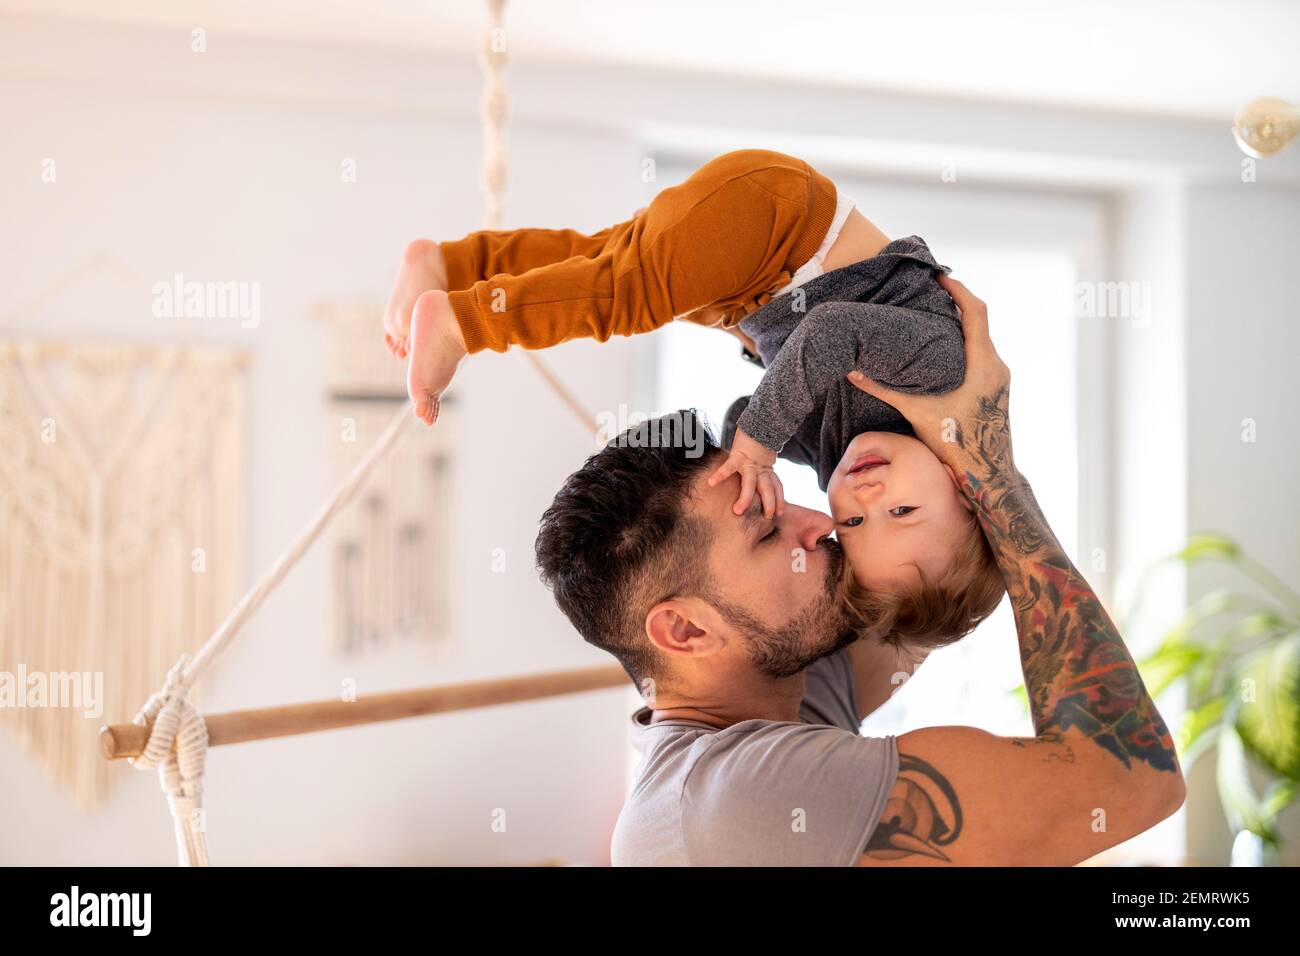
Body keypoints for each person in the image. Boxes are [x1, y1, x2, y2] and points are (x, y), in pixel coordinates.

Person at [531, 276, 1185, 866]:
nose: (819, 524)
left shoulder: (776, 683)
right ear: (686, 631)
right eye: (768, 534)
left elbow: (933, 595)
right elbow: (1129, 783)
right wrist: (992, 472)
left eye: (784, 505)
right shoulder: (737, 800)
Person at [382, 149, 1003, 651]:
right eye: (902, 513)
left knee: (603, 260)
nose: (865, 499)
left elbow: (739, 417)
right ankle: (464, 323)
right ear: (967, 489)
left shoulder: (845, 457)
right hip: (786, 227)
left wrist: (760, 459)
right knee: (624, 296)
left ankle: (450, 265)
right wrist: (760, 448)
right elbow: (829, 332)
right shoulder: (943, 379)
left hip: (748, 285)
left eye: (853, 525)